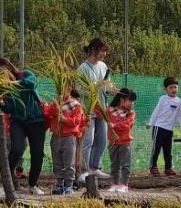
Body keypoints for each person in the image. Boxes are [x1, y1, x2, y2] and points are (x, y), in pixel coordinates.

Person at [0, 57, 46, 196]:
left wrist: (12, 83)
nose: (3, 75)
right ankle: (5, 184)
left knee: (38, 153)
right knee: (16, 149)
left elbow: (31, 84)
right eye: (0, 74)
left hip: (36, 120)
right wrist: (2, 103)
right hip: (18, 121)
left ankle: (32, 185)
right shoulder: (3, 88)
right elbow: (9, 108)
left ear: (10, 68)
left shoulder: (25, 74)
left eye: (5, 71)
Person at [77, 38, 113, 181]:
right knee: (88, 140)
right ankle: (84, 170)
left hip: (101, 108)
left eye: (105, 51)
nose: (104, 54)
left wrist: (111, 89)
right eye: (102, 51)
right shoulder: (83, 68)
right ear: (93, 50)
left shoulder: (103, 66)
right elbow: (79, 90)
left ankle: (95, 168)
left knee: (102, 139)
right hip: (88, 109)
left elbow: (107, 85)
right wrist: (95, 87)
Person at [44, 87, 84, 195]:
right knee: (57, 162)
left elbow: (77, 121)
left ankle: (68, 185)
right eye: (60, 88)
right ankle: (59, 185)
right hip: (56, 136)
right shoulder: (56, 102)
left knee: (69, 163)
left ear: (69, 89)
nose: (62, 91)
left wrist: (64, 119)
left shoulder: (76, 105)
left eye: (65, 88)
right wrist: (57, 105)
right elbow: (48, 113)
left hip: (68, 137)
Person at [147, 76, 181, 177]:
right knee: (156, 148)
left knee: (168, 150)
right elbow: (156, 110)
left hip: (169, 129)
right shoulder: (163, 98)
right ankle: (153, 167)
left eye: (175, 87)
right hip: (158, 127)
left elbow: (179, 115)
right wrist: (150, 123)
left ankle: (168, 168)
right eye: (171, 87)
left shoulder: (179, 101)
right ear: (165, 89)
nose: (173, 89)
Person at [107, 88, 137, 192]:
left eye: (133, 101)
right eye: (130, 100)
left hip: (125, 142)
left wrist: (114, 125)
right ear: (122, 99)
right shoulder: (109, 110)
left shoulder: (131, 113)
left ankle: (124, 185)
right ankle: (114, 184)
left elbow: (127, 125)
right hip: (113, 142)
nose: (132, 103)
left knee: (125, 164)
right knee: (114, 164)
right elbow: (100, 113)